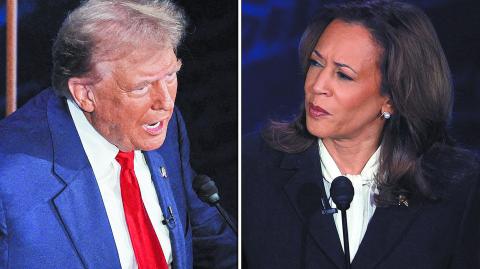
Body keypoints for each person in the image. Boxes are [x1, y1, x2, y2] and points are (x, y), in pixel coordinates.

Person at [242, 1, 480, 268]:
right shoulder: (252, 167)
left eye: (343, 75)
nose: (317, 85)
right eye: (316, 63)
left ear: (392, 98)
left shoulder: (460, 187)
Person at [0, 0, 237, 268]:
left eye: (170, 75)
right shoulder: (10, 182)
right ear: (85, 94)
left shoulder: (163, 129)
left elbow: (214, 243)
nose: (165, 102)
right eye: (141, 87)